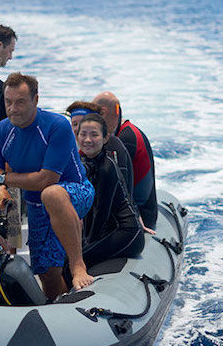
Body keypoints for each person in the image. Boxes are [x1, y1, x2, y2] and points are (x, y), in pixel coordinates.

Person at [0, 73, 95, 299]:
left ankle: (77, 265)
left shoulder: (57, 126)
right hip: (35, 205)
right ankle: (61, 310)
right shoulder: (0, 133)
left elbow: (47, 180)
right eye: (8, 102)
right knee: (47, 273)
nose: (13, 108)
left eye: (21, 102)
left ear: (35, 100)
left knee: (51, 194)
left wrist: (3, 177)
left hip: (75, 191)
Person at [75, 113, 144, 267]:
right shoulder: (84, 162)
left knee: (75, 262)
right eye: (83, 134)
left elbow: (102, 211)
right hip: (110, 232)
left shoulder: (107, 166)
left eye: (94, 135)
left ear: (106, 138)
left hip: (127, 232)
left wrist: (88, 245)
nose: (87, 140)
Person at [92, 91, 158, 229]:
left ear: (103, 113)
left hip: (141, 215)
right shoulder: (124, 131)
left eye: (93, 114)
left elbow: (112, 185)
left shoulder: (125, 139)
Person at [66, 101, 133, 192]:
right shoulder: (80, 147)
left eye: (83, 123)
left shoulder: (112, 147)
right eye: (74, 124)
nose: (77, 129)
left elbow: (122, 190)